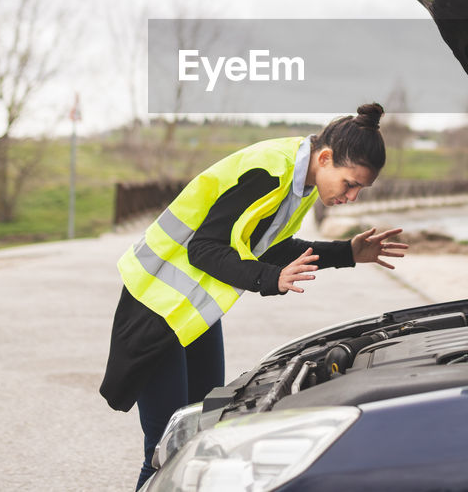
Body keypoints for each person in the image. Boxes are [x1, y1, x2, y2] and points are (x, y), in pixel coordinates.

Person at [99, 102, 407, 489]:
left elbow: (264, 246)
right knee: (168, 447)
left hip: (193, 312)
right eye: (350, 184)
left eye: (360, 188)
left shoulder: (301, 182)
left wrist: (347, 253)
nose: (352, 197)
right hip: (156, 308)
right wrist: (270, 278)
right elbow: (205, 248)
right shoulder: (270, 172)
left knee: (204, 431)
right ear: (326, 158)